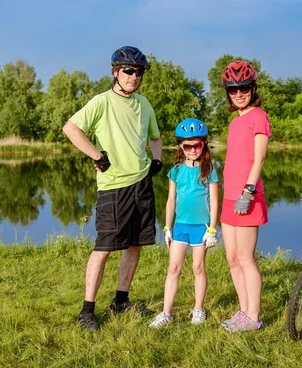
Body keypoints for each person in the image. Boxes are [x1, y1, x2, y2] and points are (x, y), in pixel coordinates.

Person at [62, 46, 163, 331]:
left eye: (138, 72)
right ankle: (87, 311)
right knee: (104, 248)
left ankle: (121, 301)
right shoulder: (102, 102)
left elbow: (155, 137)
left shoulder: (144, 105)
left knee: (135, 245)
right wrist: (97, 155)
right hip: (113, 187)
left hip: (141, 184)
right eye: (128, 71)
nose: (134, 76)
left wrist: (157, 159)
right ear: (115, 72)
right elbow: (71, 129)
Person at [149, 118, 219, 328]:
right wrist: (167, 227)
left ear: (203, 144)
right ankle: (166, 313)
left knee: (198, 267)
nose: (192, 149)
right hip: (180, 227)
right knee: (173, 268)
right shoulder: (176, 171)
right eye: (187, 146)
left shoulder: (209, 170)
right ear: (181, 146)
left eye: (196, 145)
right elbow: (171, 201)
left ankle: (198, 309)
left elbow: (215, 202)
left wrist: (213, 229)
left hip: (201, 228)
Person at [219, 61, 271, 332]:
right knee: (231, 257)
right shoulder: (235, 120)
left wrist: (248, 191)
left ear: (252, 88)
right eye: (233, 89)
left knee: (246, 258)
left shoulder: (258, 116)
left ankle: (254, 317)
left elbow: (259, 157)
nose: (238, 93)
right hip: (229, 197)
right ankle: (243, 311)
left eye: (243, 88)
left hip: (247, 196)